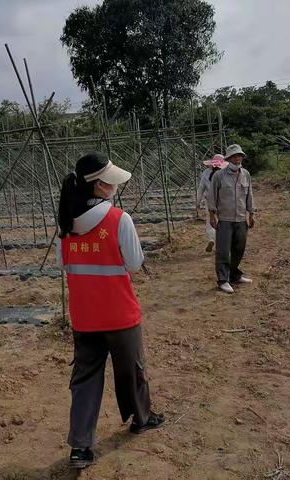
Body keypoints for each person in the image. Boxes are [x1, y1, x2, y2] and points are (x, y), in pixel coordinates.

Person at [56, 152, 165, 470]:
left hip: (84, 316)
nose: (114, 185)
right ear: (100, 186)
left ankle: (80, 447)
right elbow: (133, 263)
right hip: (119, 314)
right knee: (132, 370)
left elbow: (65, 265)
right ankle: (141, 419)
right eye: (110, 181)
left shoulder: (66, 224)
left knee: (85, 378)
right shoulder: (119, 220)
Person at [206, 144, 256, 294]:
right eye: (234, 156)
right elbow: (212, 197)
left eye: (239, 156)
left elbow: (249, 195)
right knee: (222, 251)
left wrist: (252, 214)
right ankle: (223, 280)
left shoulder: (245, 174)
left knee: (239, 248)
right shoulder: (219, 176)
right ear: (228, 159)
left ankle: (234, 275)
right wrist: (212, 215)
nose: (237, 158)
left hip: (241, 219)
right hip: (225, 219)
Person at [196, 154, 228, 252]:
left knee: (210, 222)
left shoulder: (206, 173)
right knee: (224, 221)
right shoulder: (225, 173)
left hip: (210, 201)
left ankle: (211, 238)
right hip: (223, 200)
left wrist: (197, 201)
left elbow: (201, 188)